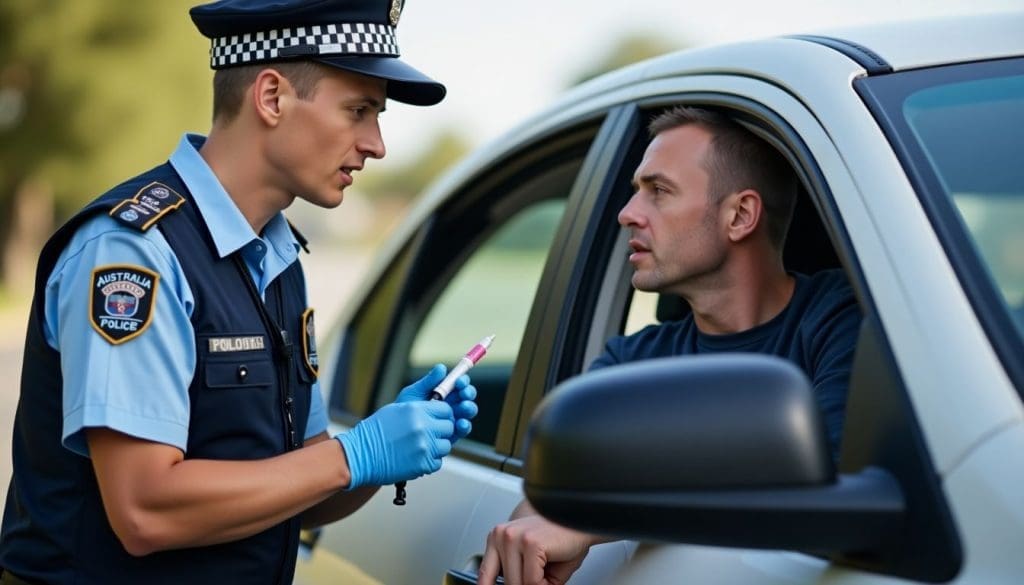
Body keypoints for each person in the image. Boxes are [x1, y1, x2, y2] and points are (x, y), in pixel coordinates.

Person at [0, 1, 478, 584]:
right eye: (359, 111)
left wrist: (387, 445)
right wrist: (355, 455)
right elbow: (143, 509)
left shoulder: (276, 259)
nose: (376, 144)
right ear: (272, 97)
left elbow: (301, 489)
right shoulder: (135, 253)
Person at [477, 105, 861, 585]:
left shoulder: (843, 319)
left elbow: (821, 482)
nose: (627, 213)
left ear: (740, 215)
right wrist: (552, 516)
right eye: (636, 191)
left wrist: (593, 519)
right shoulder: (630, 362)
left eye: (658, 191)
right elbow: (545, 505)